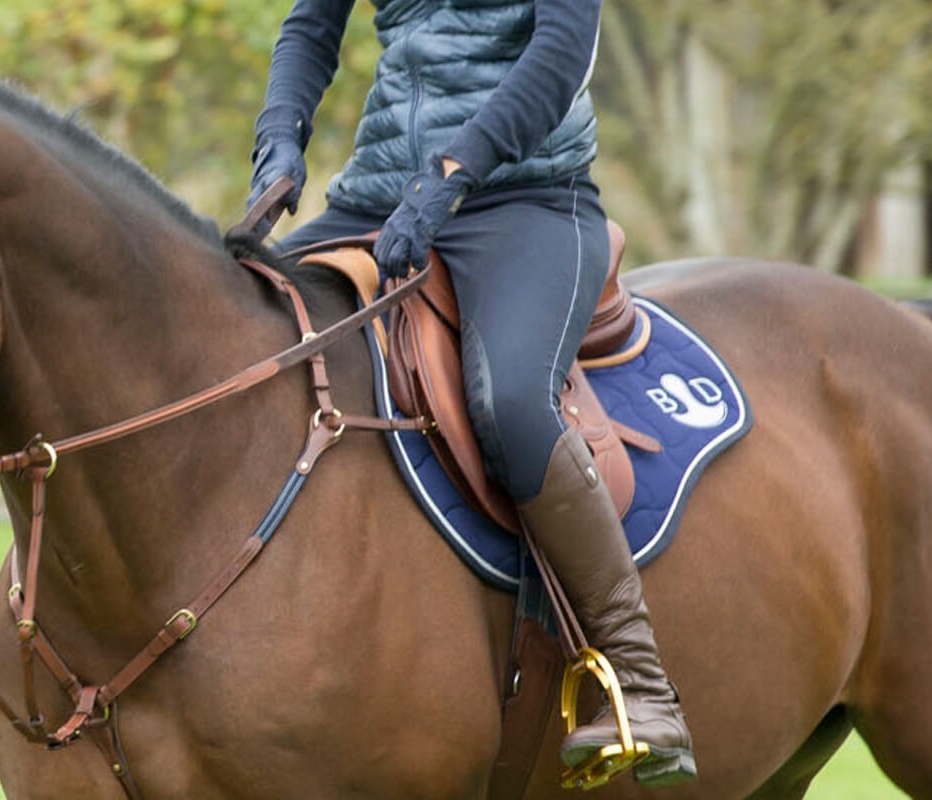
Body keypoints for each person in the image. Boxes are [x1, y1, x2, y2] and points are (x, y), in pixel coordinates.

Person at [243, 0, 695, 786]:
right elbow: (311, 26)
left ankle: (640, 680)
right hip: (381, 195)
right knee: (247, 347)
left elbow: (560, 52)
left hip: (525, 198)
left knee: (511, 404)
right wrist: (279, 137)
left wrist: (456, 170)